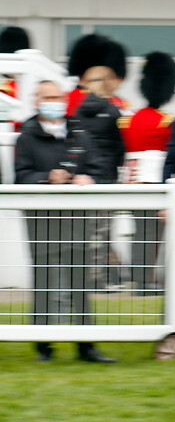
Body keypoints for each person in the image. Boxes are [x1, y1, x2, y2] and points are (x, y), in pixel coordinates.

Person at [15, 80, 115, 363]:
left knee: (80, 283)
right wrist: (47, 177)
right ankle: (43, 347)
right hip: (42, 221)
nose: (53, 101)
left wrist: (90, 178)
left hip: (77, 218)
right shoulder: (26, 135)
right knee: (44, 281)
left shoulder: (79, 132)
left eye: (57, 96)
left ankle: (87, 346)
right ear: (36, 100)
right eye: (47, 96)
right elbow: (20, 175)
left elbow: (100, 168)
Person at [118, 52, 175, 291]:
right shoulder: (166, 121)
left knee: (139, 232)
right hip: (155, 183)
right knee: (152, 236)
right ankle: (145, 280)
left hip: (131, 182)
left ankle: (139, 278)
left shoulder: (128, 120)